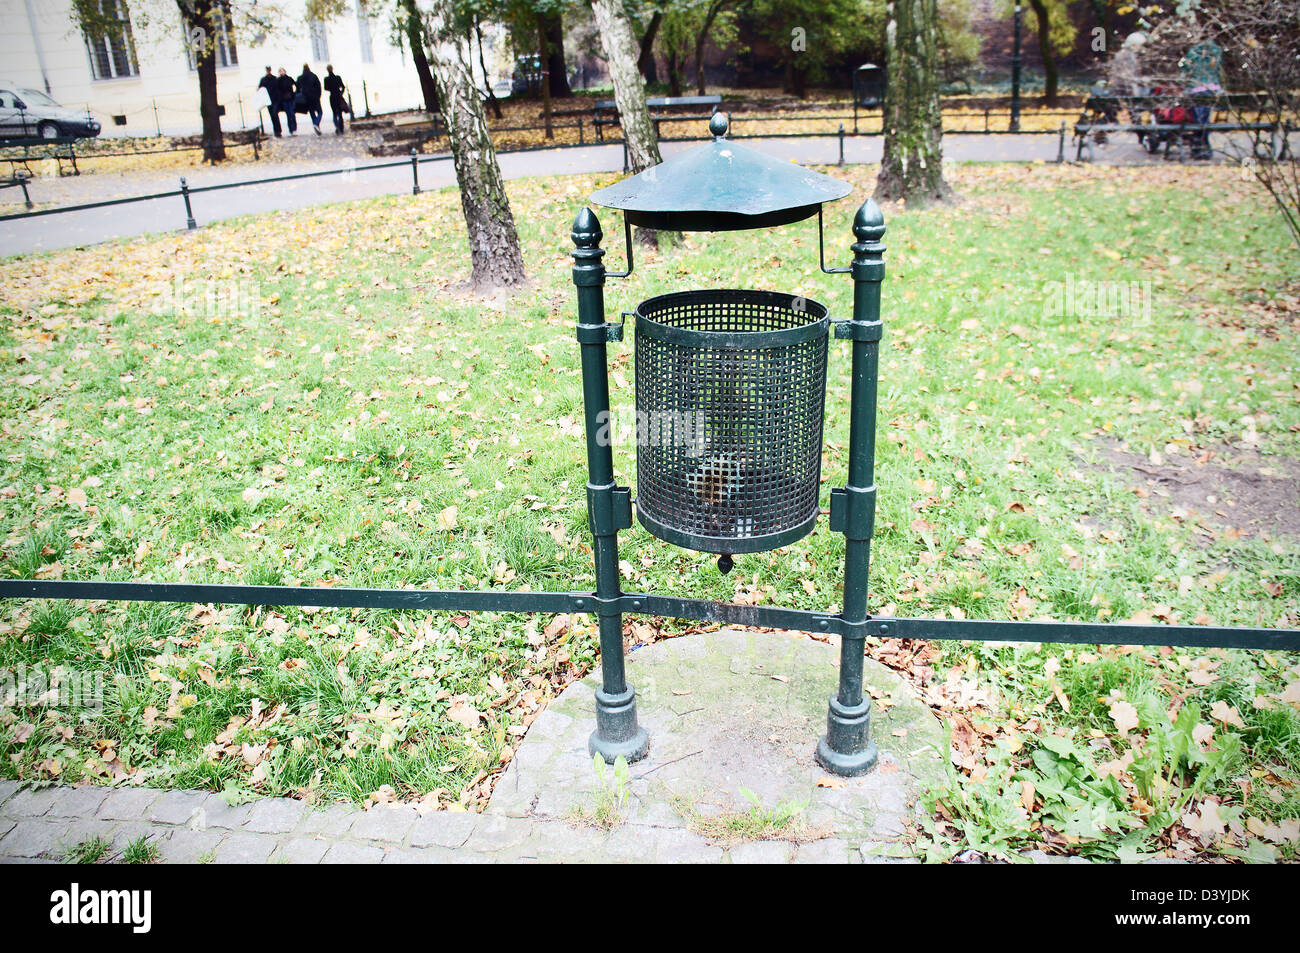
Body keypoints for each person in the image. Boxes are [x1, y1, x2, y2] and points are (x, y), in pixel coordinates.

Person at [298, 63, 323, 136]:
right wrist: (319, 95)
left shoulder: (301, 77)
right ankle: (316, 124)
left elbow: (298, 88)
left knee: (312, 113)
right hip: (315, 96)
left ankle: (316, 127)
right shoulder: (313, 76)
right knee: (320, 112)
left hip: (307, 98)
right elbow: (319, 86)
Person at [323, 65, 348, 135]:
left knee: (334, 112)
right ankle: (341, 128)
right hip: (338, 96)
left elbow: (326, 88)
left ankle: (337, 126)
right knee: (340, 113)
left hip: (332, 96)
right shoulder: (337, 77)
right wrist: (341, 93)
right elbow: (343, 86)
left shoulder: (326, 79)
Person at [257, 66, 281, 137]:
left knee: (275, 115)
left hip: (275, 100)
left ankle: (278, 131)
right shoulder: (263, 79)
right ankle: (276, 131)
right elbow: (260, 88)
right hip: (268, 100)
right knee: (272, 116)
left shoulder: (274, 79)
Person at [275, 68, 297, 135]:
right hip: (284, 99)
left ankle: (294, 128)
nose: (281, 72)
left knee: (292, 114)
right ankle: (291, 129)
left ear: (285, 71)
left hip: (290, 98)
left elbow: (296, 85)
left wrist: (294, 93)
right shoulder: (278, 80)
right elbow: (277, 90)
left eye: (282, 71)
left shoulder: (289, 78)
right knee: (288, 114)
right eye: (280, 71)